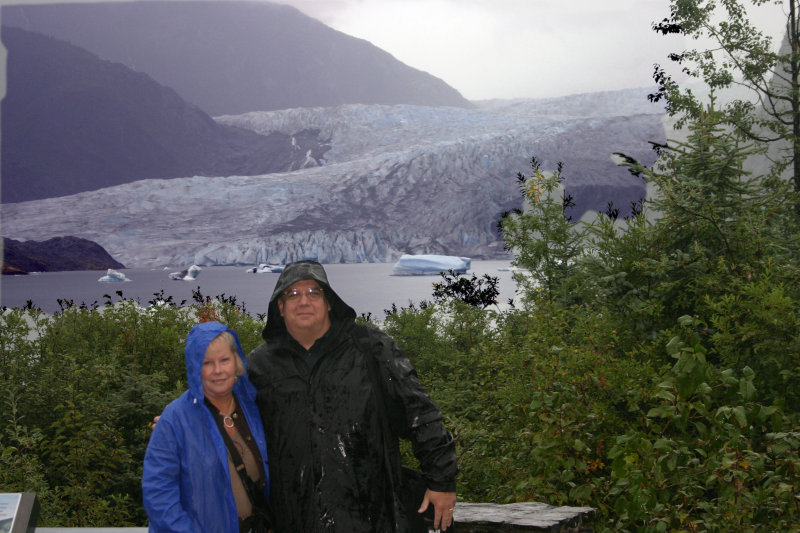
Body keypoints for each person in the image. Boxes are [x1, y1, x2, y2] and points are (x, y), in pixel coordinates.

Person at [246, 260, 458, 532]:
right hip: (294, 519)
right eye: (293, 294)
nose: (304, 301)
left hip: (372, 515)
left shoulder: (371, 349)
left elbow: (420, 414)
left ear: (330, 302)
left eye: (314, 293)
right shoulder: (260, 367)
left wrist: (441, 481)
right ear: (280, 307)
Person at [143, 321, 272, 532]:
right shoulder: (175, 419)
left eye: (224, 360)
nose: (218, 370)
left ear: (236, 361)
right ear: (195, 367)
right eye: (207, 363)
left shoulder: (252, 404)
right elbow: (158, 495)